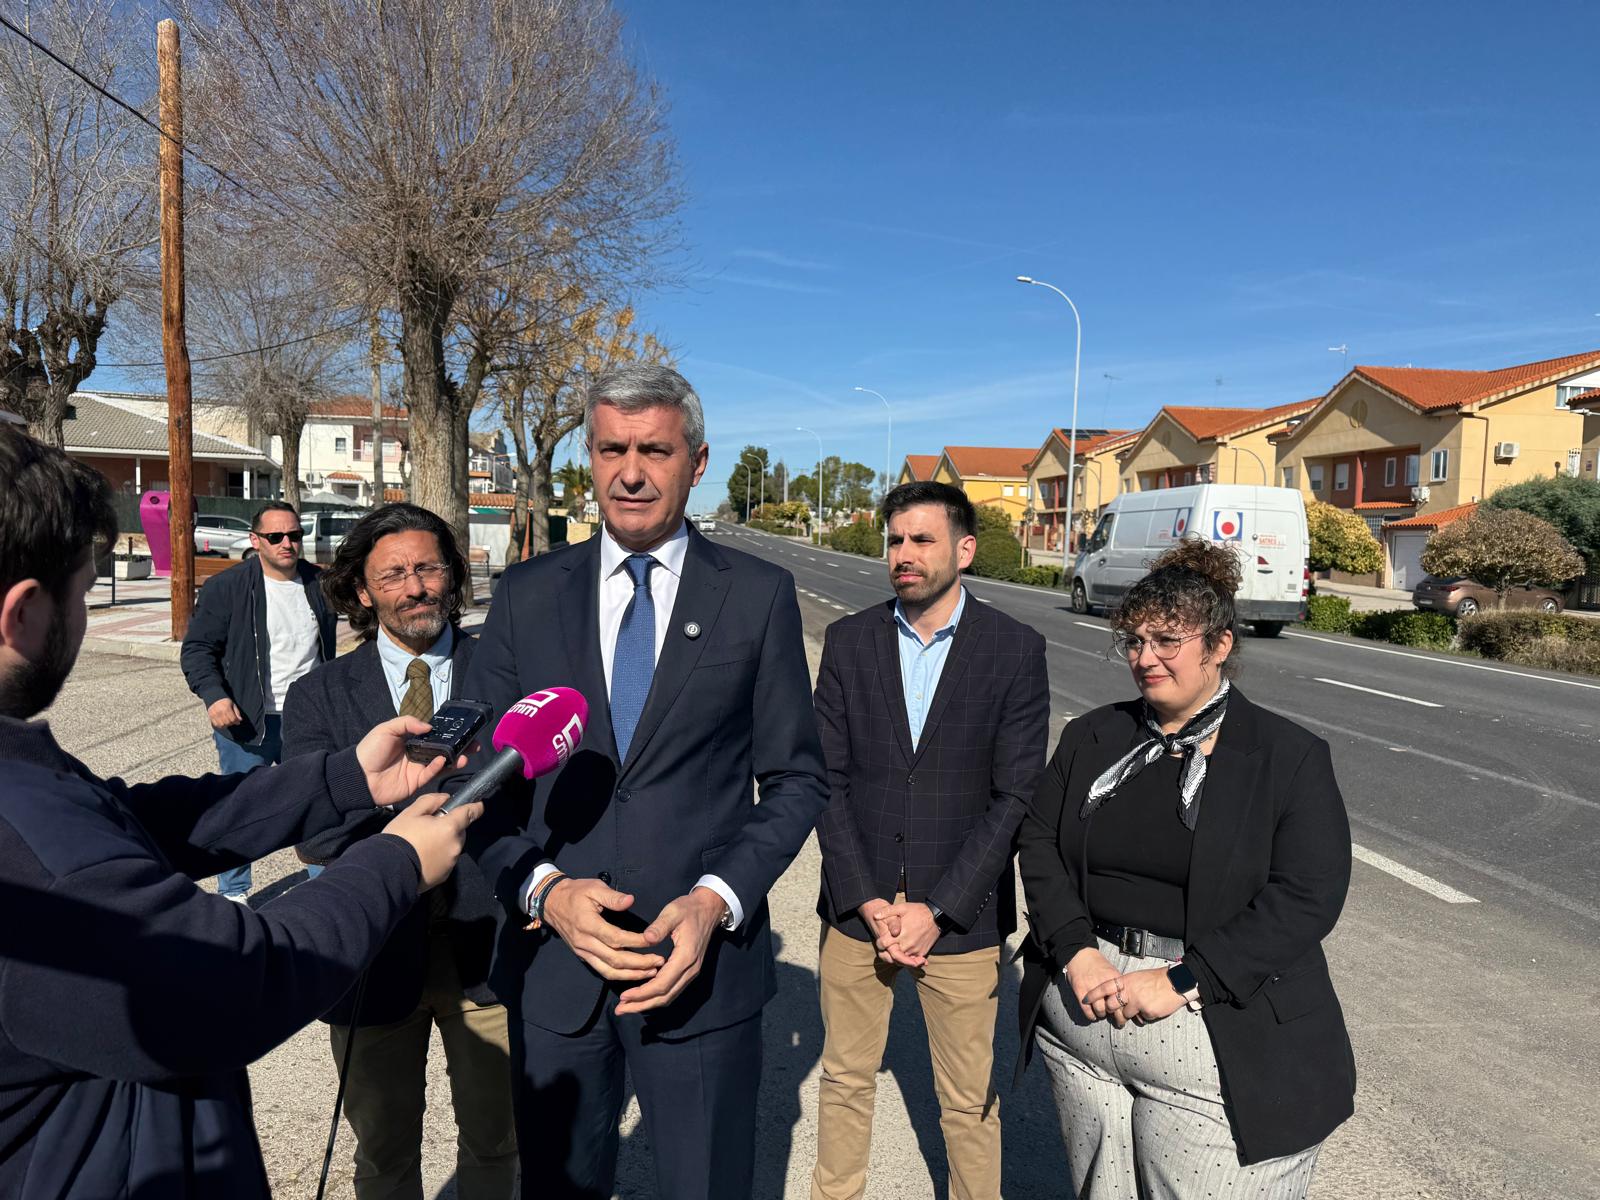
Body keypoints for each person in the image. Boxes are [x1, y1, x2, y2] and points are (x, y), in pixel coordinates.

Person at [0, 424, 482, 1197]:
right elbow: (231, 982)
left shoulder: (31, 787)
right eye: (84, 593)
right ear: (23, 615)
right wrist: (394, 862)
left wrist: (340, 780)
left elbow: (133, 818)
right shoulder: (31, 842)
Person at [460, 364, 829, 1200]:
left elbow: (797, 779)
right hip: (555, 968)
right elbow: (480, 782)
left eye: (654, 451)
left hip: (699, 975)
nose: (630, 472)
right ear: (589, 458)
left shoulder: (758, 596)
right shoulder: (525, 595)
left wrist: (714, 901)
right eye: (611, 450)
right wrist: (543, 891)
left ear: (696, 462)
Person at [1016, 538, 1355, 1199]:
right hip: (1085, 1024)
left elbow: (1307, 896)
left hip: (1211, 1021)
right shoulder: (1093, 736)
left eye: (1167, 641)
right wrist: (1076, 952)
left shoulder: (1286, 756)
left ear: (1220, 644)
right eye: (1135, 641)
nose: (1145, 658)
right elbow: (1040, 840)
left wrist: (1183, 979)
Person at [810, 481, 1049, 1200]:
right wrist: (865, 897)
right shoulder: (850, 641)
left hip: (962, 917)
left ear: (965, 550)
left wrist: (938, 909)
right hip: (858, 910)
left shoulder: (1014, 649)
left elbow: (1016, 795)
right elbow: (826, 779)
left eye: (922, 539)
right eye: (895, 540)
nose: (903, 554)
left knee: (968, 1103)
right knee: (844, 1080)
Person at [283, 503, 516, 1200]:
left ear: (453, 575)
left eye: (429, 568)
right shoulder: (318, 695)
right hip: (371, 953)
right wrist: (409, 832)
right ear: (361, 590)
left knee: (497, 1138)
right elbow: (315, 832)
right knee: (382, 1152)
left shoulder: (505, 674)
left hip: (489, 949)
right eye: (393, 575)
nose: (415, 588)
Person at [180, 499, 336, 901]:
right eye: (275, 536)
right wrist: (215, 697)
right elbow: (197, 650)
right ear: (255, 540)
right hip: (248, 721)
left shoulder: (320, 585)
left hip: (307, 719)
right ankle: (234, 893)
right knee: (241, 808)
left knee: (318, 801)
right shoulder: (227, 588)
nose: (287, 543)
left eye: (294, 535)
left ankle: (326, 887)